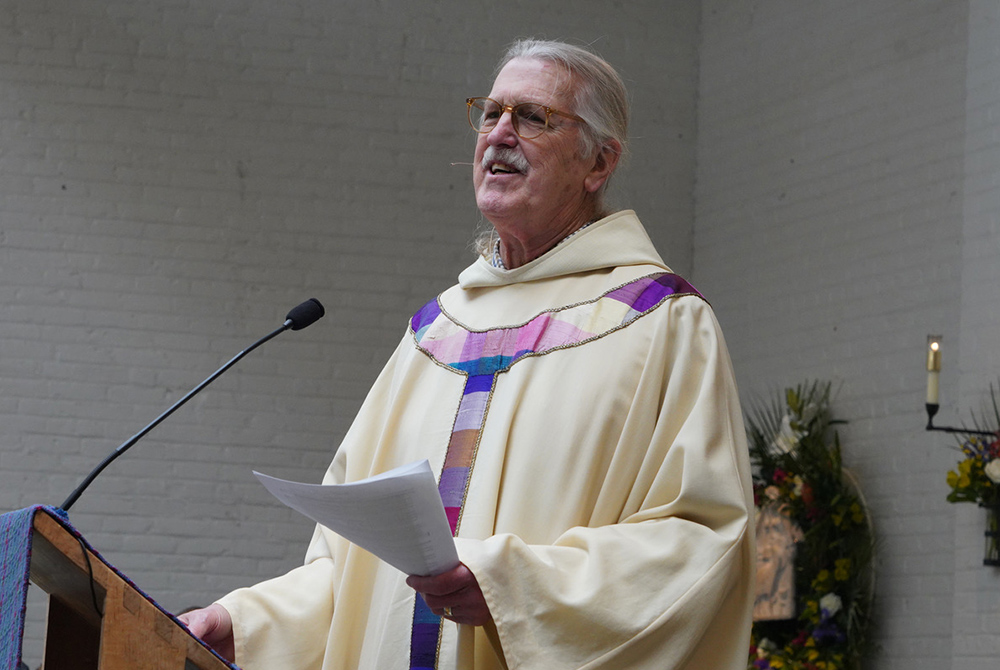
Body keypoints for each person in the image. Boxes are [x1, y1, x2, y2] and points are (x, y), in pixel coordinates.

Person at [180, 38, 755, 670]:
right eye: (491, 113)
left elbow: (703, 544)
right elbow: (348, 565)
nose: (500, 134)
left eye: (534, 117)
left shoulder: (659, 323)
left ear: (599, 163)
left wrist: (516, 585)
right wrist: (246, 623)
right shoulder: (434, 333)